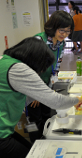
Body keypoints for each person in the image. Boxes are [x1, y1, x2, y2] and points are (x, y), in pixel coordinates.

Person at [27, 10, 73, 143]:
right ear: (53, 27)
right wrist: (35, 93)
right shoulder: (38, 41)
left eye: (68, 31)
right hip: (32, 87)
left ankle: (45, 142)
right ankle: (35, 147)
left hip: (46, 85)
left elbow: (56, 67)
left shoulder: (61, 44)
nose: (64, 35)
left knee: (47, 115)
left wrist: (49, 87)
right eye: (61, 30)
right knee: (35, 119)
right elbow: (29, 70)